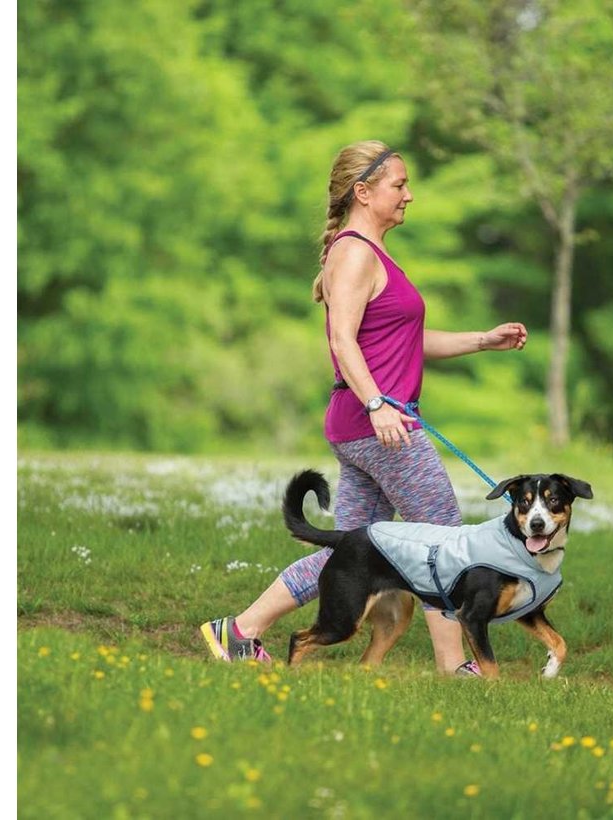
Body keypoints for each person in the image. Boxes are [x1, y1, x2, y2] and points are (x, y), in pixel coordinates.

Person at [200, 140, 527, 674]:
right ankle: (453, 667)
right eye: (399, 185)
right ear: (363, 191)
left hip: (369, 424)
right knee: (442, 537)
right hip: (380, 426)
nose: (409, 195)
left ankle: (239, 631)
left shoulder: (371, 253)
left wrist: (482, 340)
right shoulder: (353, 252)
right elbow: (343, 341)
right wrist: (376, 403)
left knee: (349, 557)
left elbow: (402, 342)